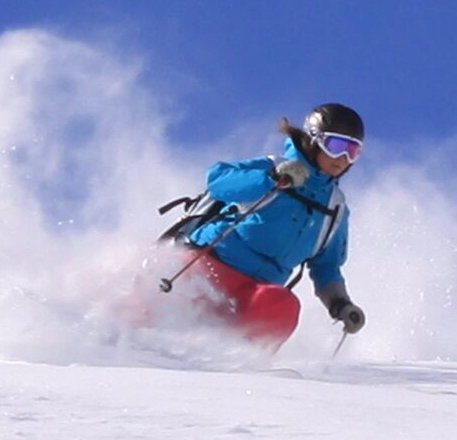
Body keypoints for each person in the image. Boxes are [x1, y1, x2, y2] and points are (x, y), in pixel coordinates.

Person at [150, 103, 370, 349]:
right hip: (211, 263)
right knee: (185, 300)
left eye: (354, 151)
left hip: (256, 290)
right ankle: (138, 329)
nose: (344, 158)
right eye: (337, 146)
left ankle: (233, 364)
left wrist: (340, 304)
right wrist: (272, 178)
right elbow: (218, 180)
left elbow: (326, 266)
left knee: (283, 307)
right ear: (314, 140)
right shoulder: (275, 168)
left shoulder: (335, 209)